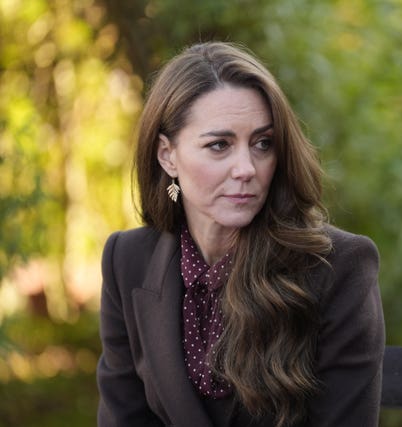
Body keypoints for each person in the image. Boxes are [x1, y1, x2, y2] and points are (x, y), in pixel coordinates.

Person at [97, 41, 385, 427]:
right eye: (220, 145)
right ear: (168, 156)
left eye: (263, 144)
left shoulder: (336, 267)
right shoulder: (127, 260)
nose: (247, 168)